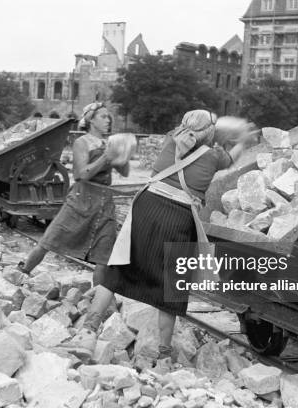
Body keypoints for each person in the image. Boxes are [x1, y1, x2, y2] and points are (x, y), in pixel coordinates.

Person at [60, 110, 257, 361]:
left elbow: (192, 132)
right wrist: (243, 139)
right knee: (171, 288)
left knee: (117, 271)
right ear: (210, 133)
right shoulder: (214, 156)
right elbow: (231, 155)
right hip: (178, 217)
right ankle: (164, 358)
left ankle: (87, 334)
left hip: (147, 207)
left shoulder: (170, 139)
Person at [17, 102, 129, 288]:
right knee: (50, 239)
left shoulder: (109, 144)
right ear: (90, 120)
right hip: (81, 199)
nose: (108, 120)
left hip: (104, 203)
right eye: (103, 116)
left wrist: (123, 155)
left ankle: (95, 298)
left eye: (108, 116)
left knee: (103, 255)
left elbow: (124, 172)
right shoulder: (81, 142)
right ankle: (23, 271)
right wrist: (105, 158)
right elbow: (80, 174)